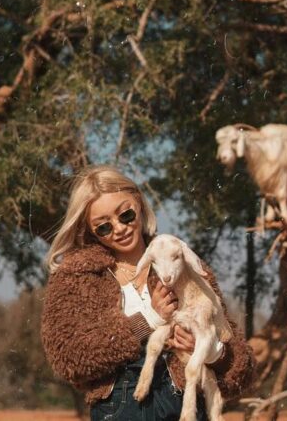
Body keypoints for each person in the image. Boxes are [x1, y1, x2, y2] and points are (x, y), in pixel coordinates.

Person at [41, 165, 256, 421]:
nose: (119, 228)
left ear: (139, 204)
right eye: (104, 227)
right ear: (89, 229)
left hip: (184, 405)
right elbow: (68, 357)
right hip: (119, 409)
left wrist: (213, 352)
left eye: (125, 215)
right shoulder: (76, 275)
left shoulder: (184, 265)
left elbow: (239, 361)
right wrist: (147, 320)